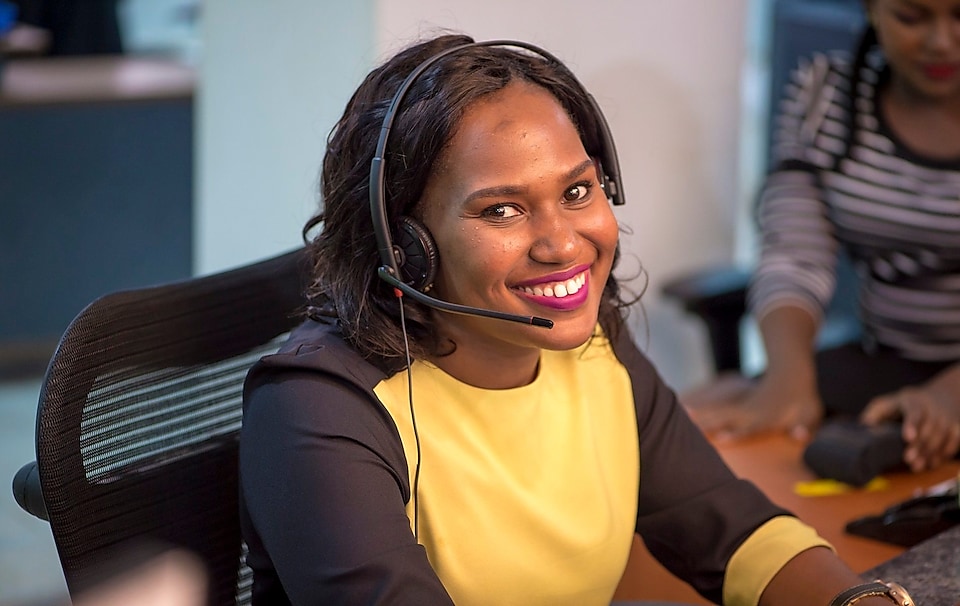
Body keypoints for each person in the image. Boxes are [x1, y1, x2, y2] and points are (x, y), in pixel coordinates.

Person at [239, 33, 910, 605]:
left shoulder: (594, 351)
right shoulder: (320, 406)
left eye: (577, 191)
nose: (563, 243)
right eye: (501, 209)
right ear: (403, 246)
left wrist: (862, 601)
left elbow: (734, 530)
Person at [683, 0, 960, 474]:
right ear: (872, 9)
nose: (941, 41)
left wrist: (950, 396)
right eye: (912, 17)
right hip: (888, 359)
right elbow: (795, 253)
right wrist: (788, 379)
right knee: (693, 421)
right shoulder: (825, 97)